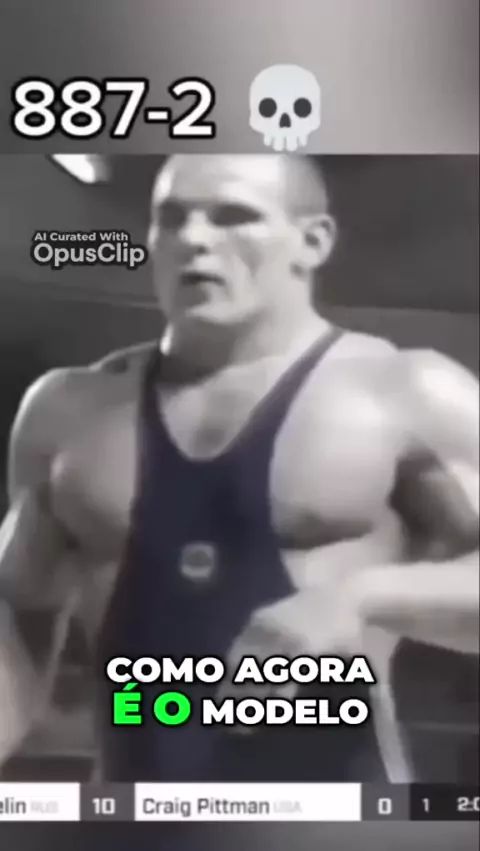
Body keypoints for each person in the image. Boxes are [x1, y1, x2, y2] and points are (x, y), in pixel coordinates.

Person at [0, 154, 478, 784]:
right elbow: (17, 626)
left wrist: (360, 596)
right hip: (134, 815)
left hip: (337, 819)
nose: (194, 239)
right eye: (172, 218)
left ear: (312, 241)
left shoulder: (409, 392)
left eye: (233, 216)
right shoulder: (67, 411)